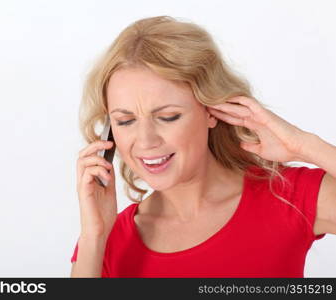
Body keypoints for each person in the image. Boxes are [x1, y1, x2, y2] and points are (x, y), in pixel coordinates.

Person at [71, 16, 336, 277]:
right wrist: (94, 238)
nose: (145, 140)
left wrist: (304, 145)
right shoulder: (106, 239)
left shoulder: (286, 197)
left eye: (168, 117)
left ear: (211, 110)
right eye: (125, 120)